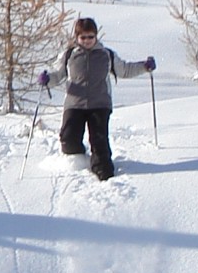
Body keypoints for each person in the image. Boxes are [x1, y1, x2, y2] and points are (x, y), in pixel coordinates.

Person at [36, 17, 154, 181]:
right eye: (83, 37)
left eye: (90, 37)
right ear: (77, 37)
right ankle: (80, 162)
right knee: (68, 140)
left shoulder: (106, 54)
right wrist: (47, 79)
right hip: (74, 104)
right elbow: (58, 74)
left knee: (99, 141)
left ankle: (104, 172)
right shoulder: (69, 55)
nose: (87, 40)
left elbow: (124, 70)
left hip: (100, 104)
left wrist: (144, 66)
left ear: (96, 36)